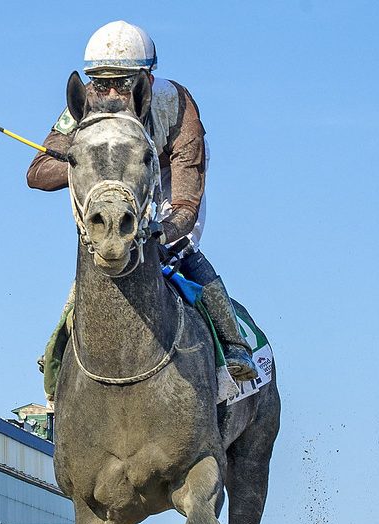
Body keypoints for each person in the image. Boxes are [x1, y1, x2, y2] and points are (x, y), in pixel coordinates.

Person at [28, 20, 259, 402]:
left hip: (164, 186)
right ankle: (60, 351)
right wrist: (79, 159)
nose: (111, 93)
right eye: (101, 82)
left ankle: (233, 344)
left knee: (180, 250)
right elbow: (37, 173)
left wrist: (157, 231)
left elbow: (185, 206)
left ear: (148, 81)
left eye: (124, 82)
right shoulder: (83, 104)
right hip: (109, 189)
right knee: (97, 256)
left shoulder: (177, 106)